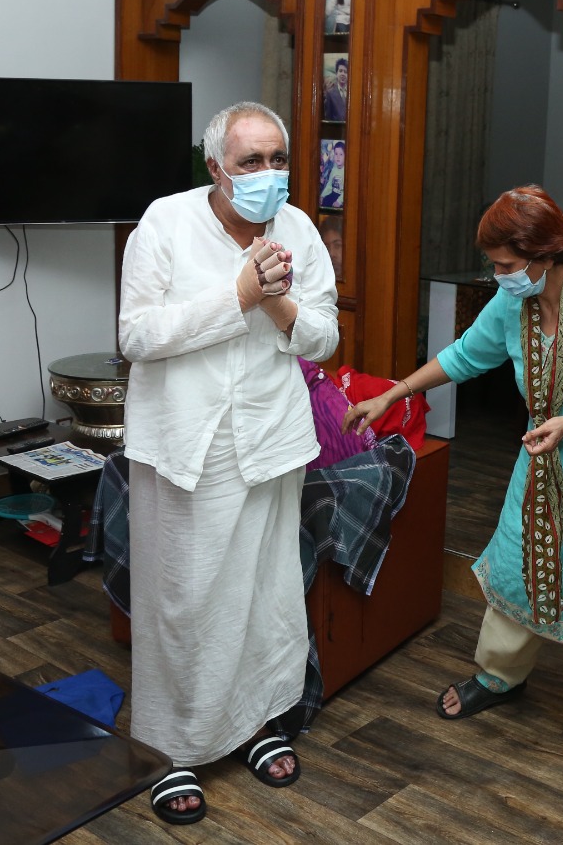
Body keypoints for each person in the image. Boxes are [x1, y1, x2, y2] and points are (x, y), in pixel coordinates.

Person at [342, 186, 563, 774]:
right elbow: (465, 356)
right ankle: (499, 677)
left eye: (506, 266)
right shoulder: (513, 303)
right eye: (494, 265)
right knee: (518, 569)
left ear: (545, 256)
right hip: (541, 466)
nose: (498, 277)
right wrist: (395, 393)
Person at [118, 101, 339, 825]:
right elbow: (136, 336)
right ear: (216, 167)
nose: (268, 173)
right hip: (189, 445)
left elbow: (324, 339)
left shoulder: (298, 228)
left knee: (268, 593)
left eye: (278, 159)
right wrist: (238, 295)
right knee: (186, 598)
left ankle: (258, 722)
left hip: (271, 439)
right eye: (251, 161)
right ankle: (174, 748)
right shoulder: (165, 222)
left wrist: (276, 305)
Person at [323, 57, 348, 122]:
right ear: (336, 73)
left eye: (345, 72)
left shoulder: (353, 94)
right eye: (340, 71)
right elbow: (328, 118)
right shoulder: (330, 94)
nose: (343, 74)